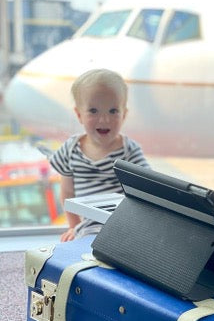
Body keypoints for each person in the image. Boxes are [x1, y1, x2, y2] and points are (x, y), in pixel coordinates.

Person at [49, 68, 150, 241]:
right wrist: (73, 226)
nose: (104, 119)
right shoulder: (70, 149)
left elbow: (147, 188)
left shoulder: (129, 151)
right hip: (88, 226)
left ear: (124, 114)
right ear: (79, 115)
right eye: (93, 111)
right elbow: (67, 192)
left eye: (113, 111)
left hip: (122, 225)